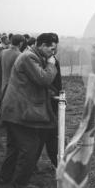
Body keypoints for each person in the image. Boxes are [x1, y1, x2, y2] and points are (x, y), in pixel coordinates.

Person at [0, 33, 59, 188]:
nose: (53, 52)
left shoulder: (32, 56)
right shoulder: (29, 57)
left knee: (14, 150)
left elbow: (32, 84)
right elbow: (43, 79)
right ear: (42, 45)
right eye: (51, 48)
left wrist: (52, 95)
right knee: (30, 150)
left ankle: (4, 182)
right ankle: (18, 184)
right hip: (19, 112)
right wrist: (51, 64)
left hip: (14, 110)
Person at [36, 33, 61, 170]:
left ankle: (57, 164)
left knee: (48, 136)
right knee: (47, 136)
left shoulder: (52, 59)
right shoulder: (45, 61)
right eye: (52, 48)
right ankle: (58, 164)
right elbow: (47, 81)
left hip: (52, 102)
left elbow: (57, 82)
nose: (54, 51)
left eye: (55, 48)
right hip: (47, 103)